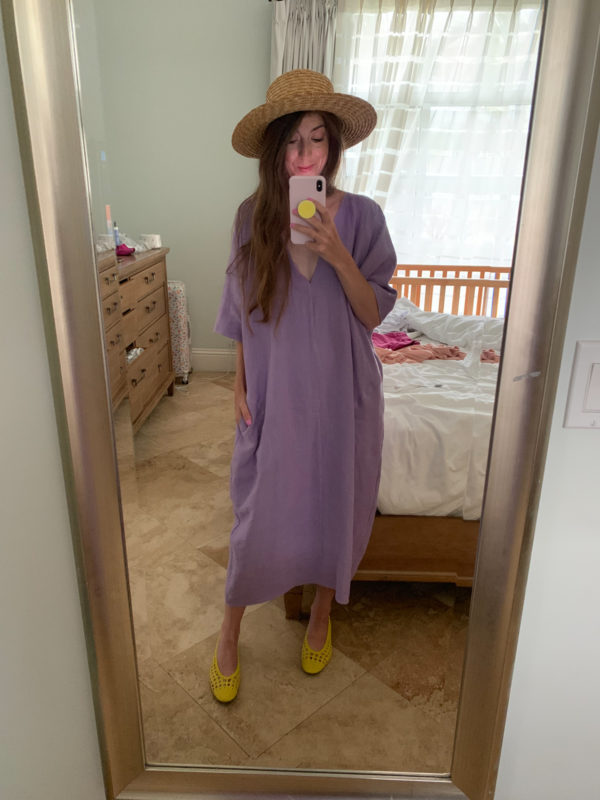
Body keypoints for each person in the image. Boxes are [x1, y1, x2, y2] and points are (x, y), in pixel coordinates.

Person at [211, 69, 397, 702]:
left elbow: (372, 314)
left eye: (317, 140)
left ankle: (321, 612)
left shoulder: (366, 217)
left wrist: (338, 251)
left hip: (343, 394)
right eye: (292, 142)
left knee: (332, 502)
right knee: (256, 510)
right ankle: (230, 630)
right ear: (275, 153)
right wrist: (237, 387)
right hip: (273, 392)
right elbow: (239, 316)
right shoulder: (250, 218)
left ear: (333, 148)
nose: (305, 154)